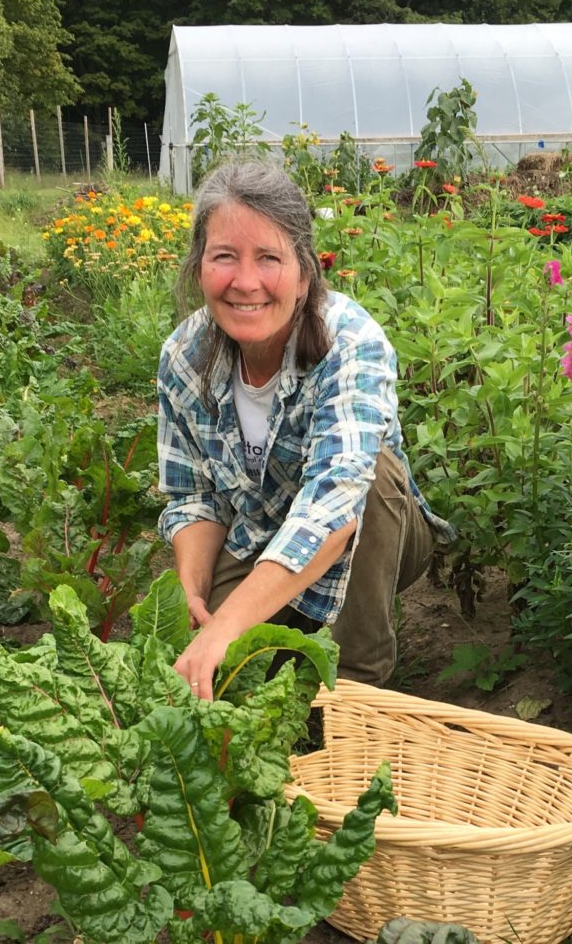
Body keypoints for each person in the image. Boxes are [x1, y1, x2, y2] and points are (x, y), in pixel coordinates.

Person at [157, 159, 454, 699]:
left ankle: (357, 689)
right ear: (200, 265)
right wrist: (193, 600)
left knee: (375, 475)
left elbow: (334, 504)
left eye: (268, 258)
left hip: (371, 539)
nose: (245, 282)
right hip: (259, 539)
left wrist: (227, 628)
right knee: (215, 678)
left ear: (304, 270)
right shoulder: (184, 355)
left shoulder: (351, 341)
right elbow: (194, 495)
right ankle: (280, 639)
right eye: (225, 256)